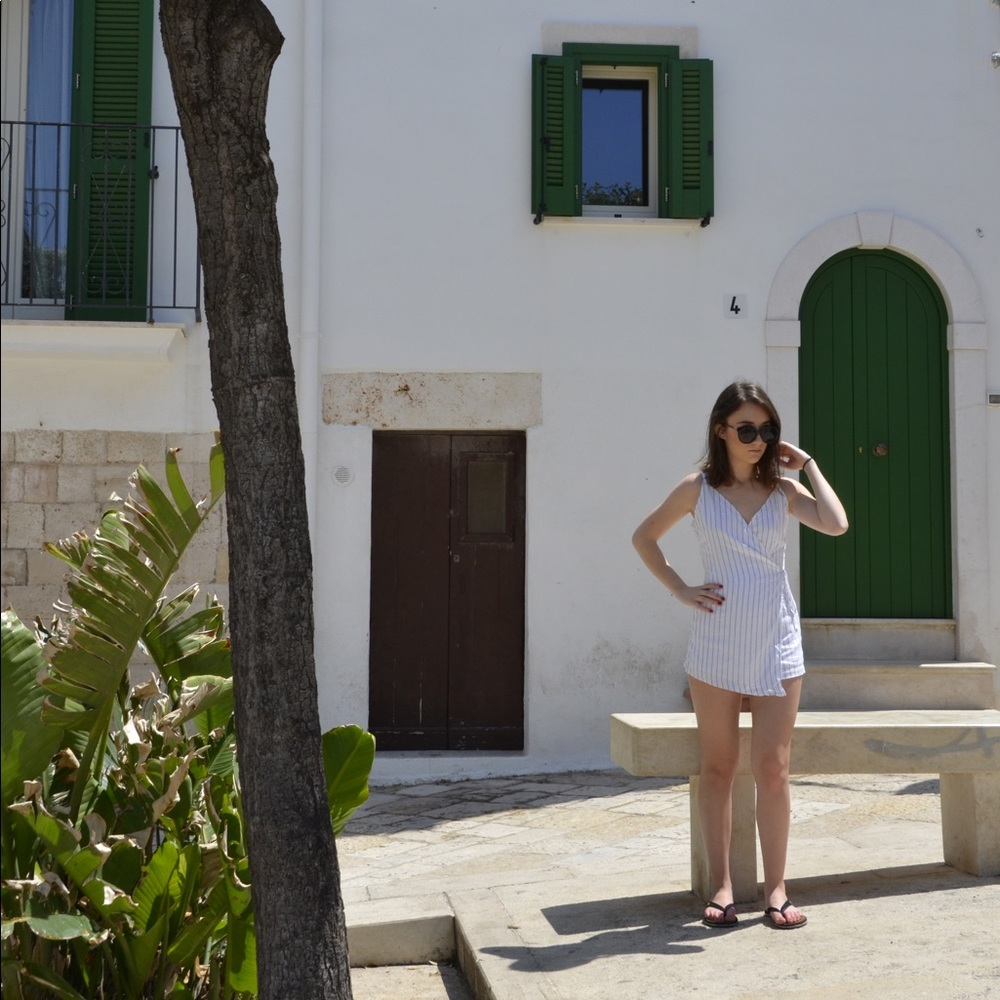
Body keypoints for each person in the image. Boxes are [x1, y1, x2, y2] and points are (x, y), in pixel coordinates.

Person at [631, 380, 848, 929]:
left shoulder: (782, 492)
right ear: (721, 430)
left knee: (773, 769)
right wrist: (679, 589)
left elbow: (836, 523)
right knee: (719, 767)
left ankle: (777, 890)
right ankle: (723, 886)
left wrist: (809, 466)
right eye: (746, 429)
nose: (758, 440)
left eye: (767, 430)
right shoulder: (697, 489)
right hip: (717, 643)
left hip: (777, 641)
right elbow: (644, 537)